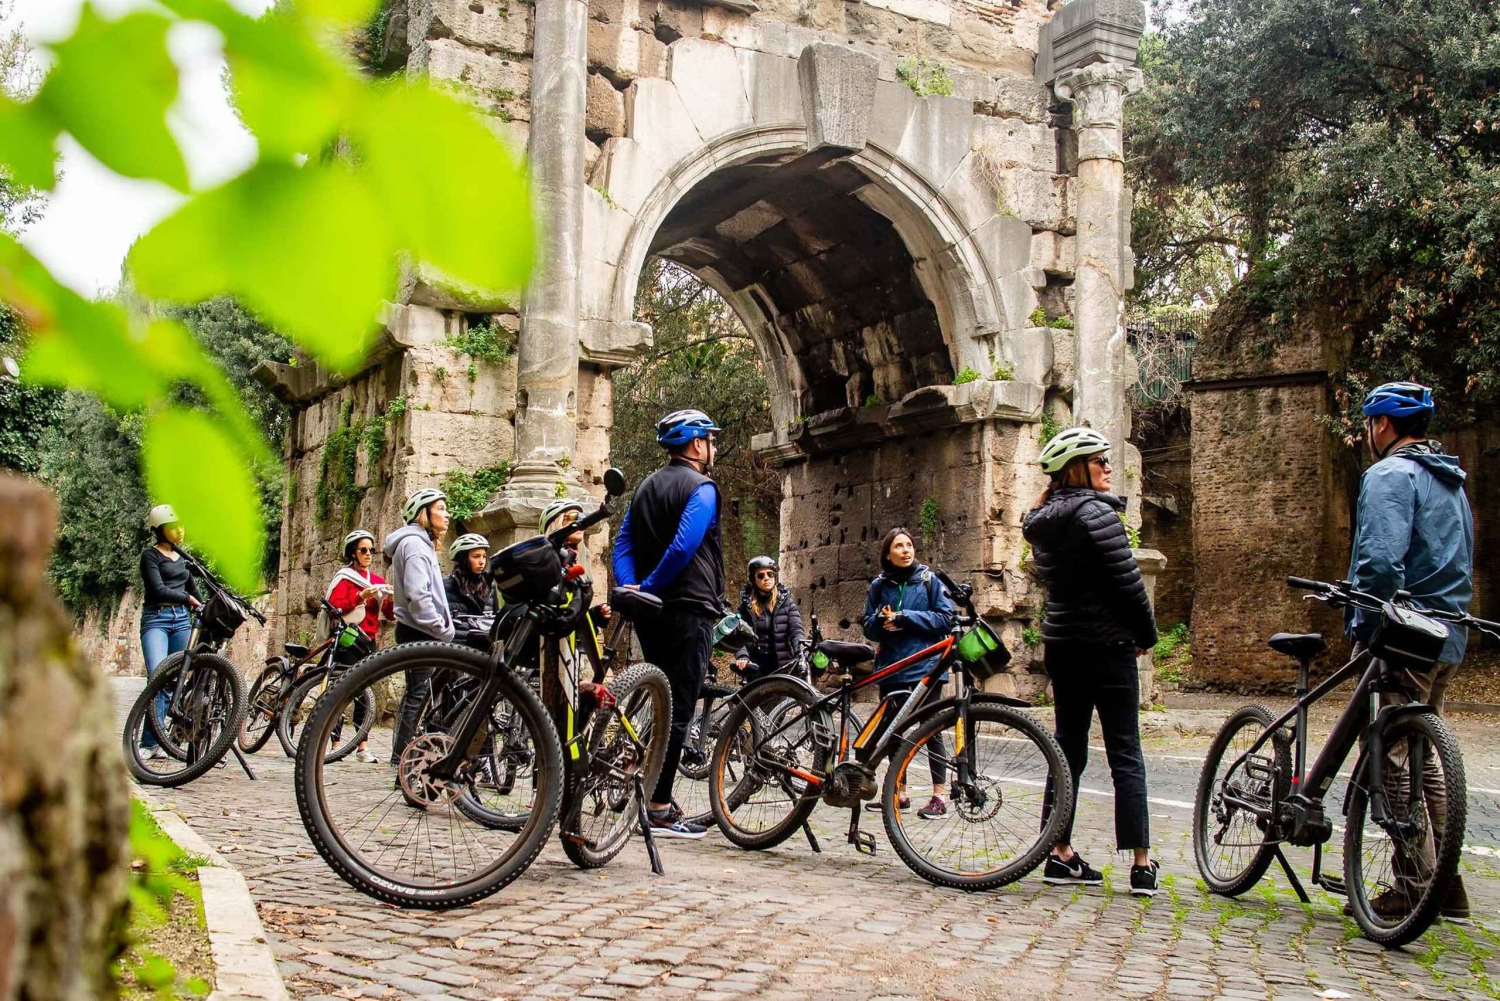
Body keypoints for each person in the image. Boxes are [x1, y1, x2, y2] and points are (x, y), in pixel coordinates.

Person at [1344, 381, 1474, 920]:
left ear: (1382, 426)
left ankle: (1419, 884)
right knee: (1426, 758)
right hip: (1447, 633)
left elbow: (1379, 562)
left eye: (1371, 424)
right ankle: (1448, 883)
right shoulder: (1451, 481)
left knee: (1392, 756)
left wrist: (1367, 624)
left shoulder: (1389, 475)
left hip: (1404, 634)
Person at [1022, 426, 1160, 896]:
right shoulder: (1097, 515)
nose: (1107, 467)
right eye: (1099, 460)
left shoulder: (1042, 520)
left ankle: (1056, 852)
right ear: (1077, 468)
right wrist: (1147, 635)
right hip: (1109, 646)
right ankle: (1141, 863)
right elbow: (1128, 583)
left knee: (1067, 750)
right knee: (1125, 750)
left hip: (1064, 645)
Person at [612, 408, 725, 839]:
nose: (712, 448)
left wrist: (634, 588)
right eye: (710, 441)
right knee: (679, 707)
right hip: (689, 606)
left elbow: (623, 542)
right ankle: (659, 805)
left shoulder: (644, 487)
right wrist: (653, 585)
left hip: (651, 613)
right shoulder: (703, 487)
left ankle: (642, 779)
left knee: (659, 695)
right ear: (697, 445)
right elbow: (684, 546)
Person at [860, 528, 955, 819]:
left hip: (926, 667)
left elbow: (945, 619)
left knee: (931, 730)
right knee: (894, 731)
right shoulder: (879, 585)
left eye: (909, 545)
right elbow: (867, 624)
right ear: (888, 553)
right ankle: (899, 793)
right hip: (891, 668)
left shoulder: (929, 580)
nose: (905, 550)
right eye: (899, 546)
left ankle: (939, 795)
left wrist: (906, 617)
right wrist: (881, 622)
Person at [383, 487, 455, 767]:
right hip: (420, 629)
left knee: (418, 692)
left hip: (419, 628)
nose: (446, 514)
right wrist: (441, 628)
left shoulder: (420, 543)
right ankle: (401, 756)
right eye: (440, 508)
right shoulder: (414, 544)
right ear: (423, 514)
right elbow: (417, 594)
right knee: (418, 693)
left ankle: (403, 752)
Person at [138, 504, 202, 759]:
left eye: (181, 525)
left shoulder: (185, 558)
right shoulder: (150, 556)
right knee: (157, 675)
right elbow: (156, 590)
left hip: (182, 622)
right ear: (160, 531)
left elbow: (196, 591)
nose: (180, 531)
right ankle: (146, 743)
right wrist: (187, 598)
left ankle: (155, 742)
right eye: (173, 527)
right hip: (157, 619)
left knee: (175, 681)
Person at [327, 529, 395, 763]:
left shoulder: (377, 581)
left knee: (365, 692)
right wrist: (360, 596)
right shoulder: (345, 578)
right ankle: (335, 743)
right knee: (340, 689)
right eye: (363, 550)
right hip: (348, 637)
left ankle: (362, 746)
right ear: (353, 553)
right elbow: (336, 606)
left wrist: (390, 599)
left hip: (368, 640)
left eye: (371, 550)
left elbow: (389, 614)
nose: (368, 554)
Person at [733, 556, 805, 683]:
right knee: (750, 700)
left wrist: (801, 651)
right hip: (755, 666)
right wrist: (742, 656)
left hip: (782, 665)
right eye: (760, 576)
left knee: (786, 701)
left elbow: (796, 631)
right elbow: (738, 635)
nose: (766, 578)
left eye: (770, 574)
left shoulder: (787, 604)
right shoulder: (745, 607)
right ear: (753, 580)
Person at [445, 532, 494, 617]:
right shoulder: (447, 585)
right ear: (463, 559)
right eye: (476, 556)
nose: (482, 561)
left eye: (484, 556)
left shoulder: (489, 583)